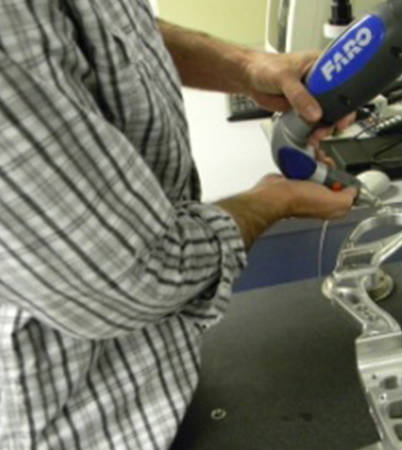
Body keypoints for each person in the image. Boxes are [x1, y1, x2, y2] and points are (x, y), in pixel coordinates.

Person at [0, 1, 355, 448]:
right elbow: (133, 276)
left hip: (166, 377)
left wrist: (248, 66)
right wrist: (273, 201)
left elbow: (110, 31)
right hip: (90, 425)